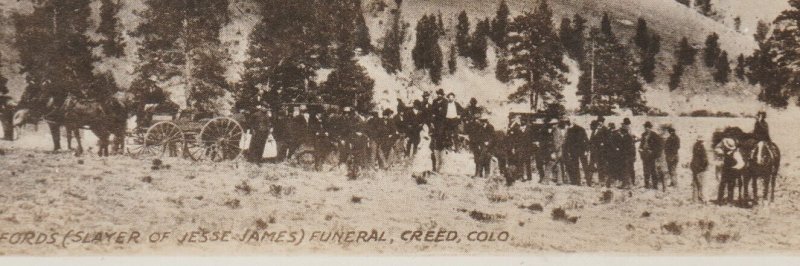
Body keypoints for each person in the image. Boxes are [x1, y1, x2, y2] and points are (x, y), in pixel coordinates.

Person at [714, 137, 744, 205]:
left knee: (731, 186)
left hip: (732, 172)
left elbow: (741, 163)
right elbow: (717, 149)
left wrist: (735, 168)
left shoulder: (736, 153)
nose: (724, 147)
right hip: (725, 171)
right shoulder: (725, 152)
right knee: (722, 185)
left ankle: (730, 201)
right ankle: (720, 200)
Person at [508, 116, 534, 184]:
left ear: (526, 122)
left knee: (527, 162)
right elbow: (514, 139)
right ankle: (521, 176)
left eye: (524, 121)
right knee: (520, 162)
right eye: (521, 121)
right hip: (519, 148)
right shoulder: (517, 128)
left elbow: (531, 140)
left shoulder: (530, 129)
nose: (522, 122)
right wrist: (513, 147)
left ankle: (529, 176)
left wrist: (532, 149)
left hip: (527, 148)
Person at [564, 118, 590, 186]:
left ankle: (582, 181)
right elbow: (586, 140)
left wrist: (587, 150)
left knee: (580, 166)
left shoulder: (575, 130)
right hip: (578, 150)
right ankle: (584, 181)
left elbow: (585, 139)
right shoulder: (577, 129)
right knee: (580, 166)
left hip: (577, 150)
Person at [640, 121, 659, 189]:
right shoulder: (643, 135)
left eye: (648, 127)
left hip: (651, 155)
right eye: (645, 127)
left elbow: (659, 145)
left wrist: (653, 151)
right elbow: (641, 144)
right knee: (645, 170)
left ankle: (655, 185)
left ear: (650, 128)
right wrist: (640, 149)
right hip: (644, 154)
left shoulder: (654, 135)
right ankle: (646, 184)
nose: (646, 128)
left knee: (653, 170)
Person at [690, 136, 709, 204]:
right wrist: (705, 166)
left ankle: (694, 200)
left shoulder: (695, 146)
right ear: (702, 141)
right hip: (701, 168)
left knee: (695, 183)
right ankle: (704, 200)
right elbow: (704, 159)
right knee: (702, 184)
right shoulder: (702, 148)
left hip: (694, 167)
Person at [551, 118, 567, 185]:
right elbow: (556, 141)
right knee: (558, 164)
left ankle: (560, 180)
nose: (553, 125)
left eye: (555, 124)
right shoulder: (556, 130)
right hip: (559, 149)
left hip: (561, 149)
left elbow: (559, 141)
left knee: (558, 164)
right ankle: (559, 179)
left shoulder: (561, 130)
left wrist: (556, 149)